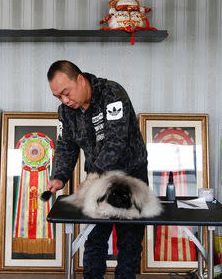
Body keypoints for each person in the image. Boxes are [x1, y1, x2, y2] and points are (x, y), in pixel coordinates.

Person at [46, 60, 148, 279]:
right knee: (94, 237)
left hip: (130, 175)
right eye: (58, 97)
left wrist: (93, 177)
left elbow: (116, 142)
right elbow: (66, 145)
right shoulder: (66, 111)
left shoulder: (112, 94)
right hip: (97, 178)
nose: (65, 100)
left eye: (66, 93)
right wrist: (60, 177)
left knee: (129, 241)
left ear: (80, 80)